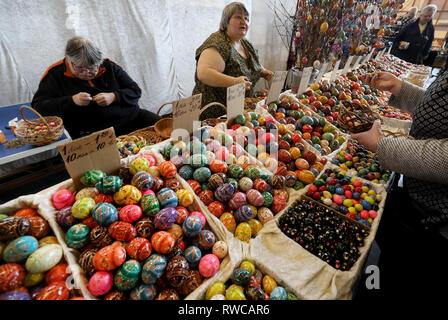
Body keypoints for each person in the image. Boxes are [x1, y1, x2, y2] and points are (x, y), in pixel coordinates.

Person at [352, 70, 448, 298]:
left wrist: (383, 146)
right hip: (421, 206)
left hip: (438, 226)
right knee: (385, 274)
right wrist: (402, 89)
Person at [32, 36, 161, 139]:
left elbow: (135, 91)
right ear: (69, 60)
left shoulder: (108, 66)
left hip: (131, 119)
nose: (87, 73)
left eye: (92, 67)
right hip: (92, 133)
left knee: (169, 128)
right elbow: (39, 106)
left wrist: (114, 96)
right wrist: (72, 101)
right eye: (81, 68)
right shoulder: (55, 74)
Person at [192, 2, 274, 120]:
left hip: (235, 111)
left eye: (246, 18)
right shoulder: (218, 43)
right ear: (226, 21)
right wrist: (235, 81)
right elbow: (204, 73)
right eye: (238, 17)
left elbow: (249, 63)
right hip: (214, 114)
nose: (243, 21)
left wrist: (262, 71)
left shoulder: (244, 43)